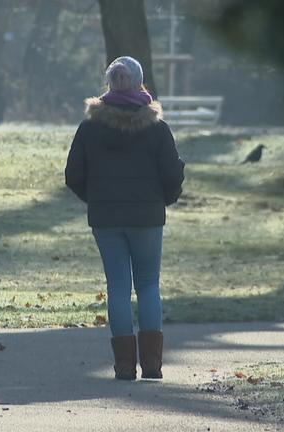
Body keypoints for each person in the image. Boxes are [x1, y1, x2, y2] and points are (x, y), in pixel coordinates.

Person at [65, 56, 184, 380]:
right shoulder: (156, 127)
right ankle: (152, 365)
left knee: (117, 288)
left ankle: (123, 366)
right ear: (140, 84)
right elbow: (172, 174)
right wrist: (165, 200)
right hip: (147, 216)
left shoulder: (90, 127)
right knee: (148, 285)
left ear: (108, 84)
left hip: (106, 218)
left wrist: (99, 200)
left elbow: (73, 174)